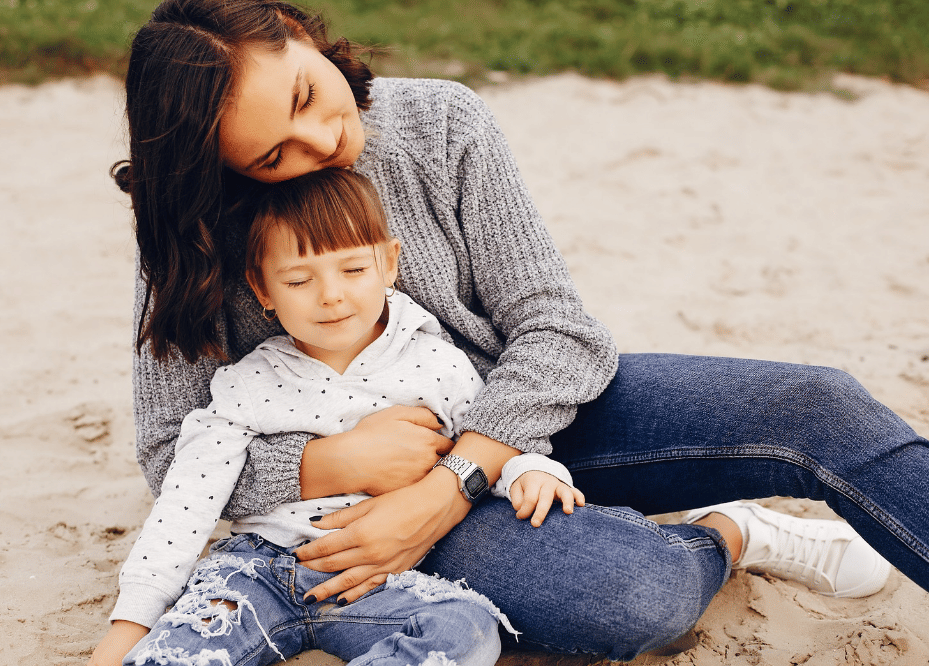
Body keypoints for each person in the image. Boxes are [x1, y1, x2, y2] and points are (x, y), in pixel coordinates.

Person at [107, 0, 929, 661]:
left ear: (296, 30)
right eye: (272, 158)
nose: (322, 143)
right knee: (633, 598)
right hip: (369, 506)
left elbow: (559, 332)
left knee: (817, 404)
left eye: (304, 98)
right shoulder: (191, 233)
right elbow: (169, 452)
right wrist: (332, 462)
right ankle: (732, 531)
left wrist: (451, 481)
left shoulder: (441, 122)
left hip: (527, 422)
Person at [91, 168, 583, 666]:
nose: (331, 295)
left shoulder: (438, 365)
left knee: (466, 629)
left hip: (384, 578)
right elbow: (185, 503)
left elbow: (490, 443)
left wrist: (532, 470)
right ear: (262, 289)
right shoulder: (246, 384)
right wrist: (130, 622)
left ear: (389, 265)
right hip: (259, 569)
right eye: (299, 279)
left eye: (353, 270)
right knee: (178, 653)